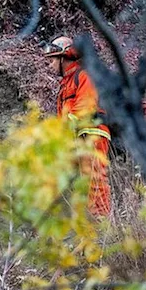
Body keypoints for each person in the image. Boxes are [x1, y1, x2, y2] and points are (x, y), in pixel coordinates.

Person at [46, 36, 112, 217]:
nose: (49, 65)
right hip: (77, 138)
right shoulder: (66, 82)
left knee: (94, 179)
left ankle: (101, 224)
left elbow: (85, 106)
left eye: (52, 60)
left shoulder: (84, 75)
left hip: (92, 134)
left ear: (63, 57)